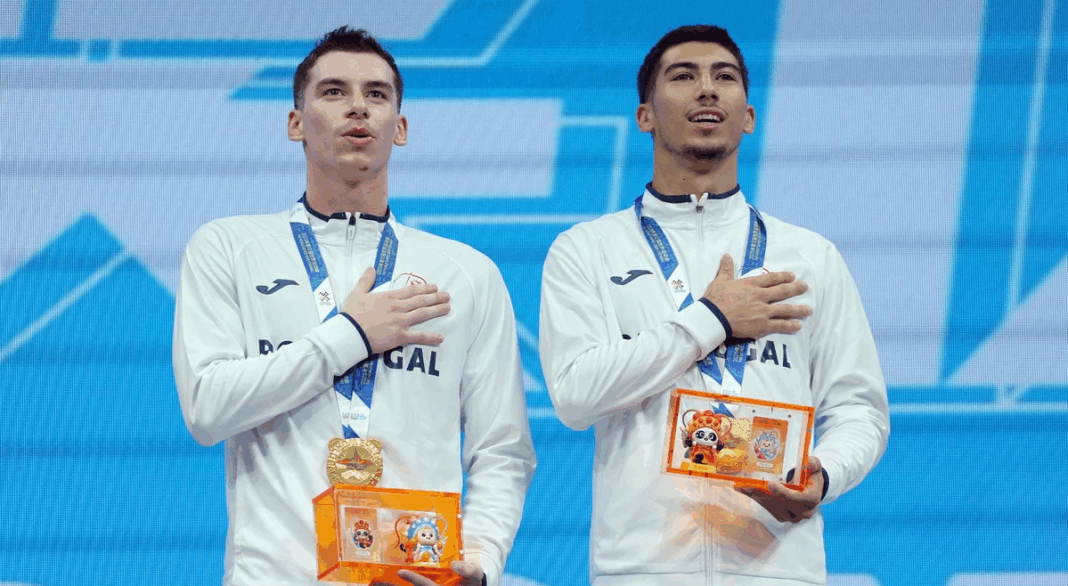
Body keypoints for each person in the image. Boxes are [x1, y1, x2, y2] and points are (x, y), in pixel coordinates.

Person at [173, 26, 536, 586]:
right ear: (296, 123)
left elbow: (502, 449)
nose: (358, 107)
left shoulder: (467, 273)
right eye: (334, 91)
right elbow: (206, 407)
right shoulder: (228, 247)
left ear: (401, 128)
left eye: (377, 94)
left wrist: (482, 562)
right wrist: (352, 336)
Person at [539, 25, 889, 585]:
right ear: (645, 116)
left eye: (724, 77)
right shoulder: (587, 249)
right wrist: (713, 319)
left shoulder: (810, 256)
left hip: (778, 567)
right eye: (683, 76)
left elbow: (859, 407)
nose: (707, 89)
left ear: (747, 116)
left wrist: (824, 475)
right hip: (641, 570)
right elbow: (575, 396)